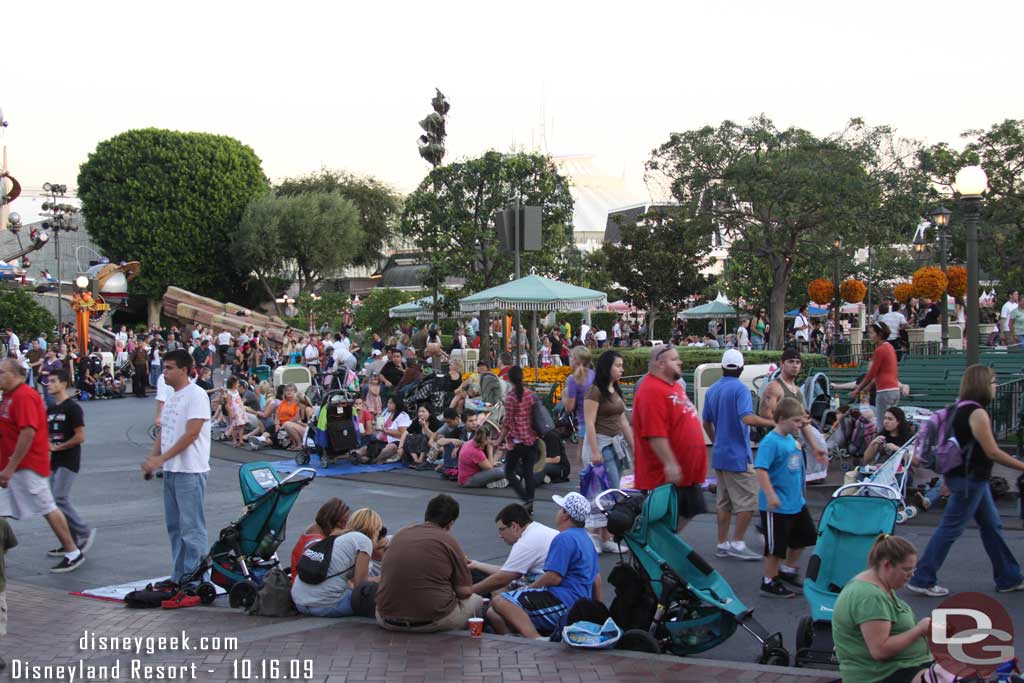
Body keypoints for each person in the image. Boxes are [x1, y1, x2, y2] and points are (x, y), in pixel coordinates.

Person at [907, 365, 1024, 597]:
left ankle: (1008, 577)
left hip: (966, 478)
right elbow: (992, 451)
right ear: (981, 384)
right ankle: (923, 577)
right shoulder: (977, 413)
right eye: (992, 381)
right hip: (971, 480)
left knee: (991, 527)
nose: (995, 386)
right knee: (950, 529)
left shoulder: (957, 408)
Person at [0, 359, 84, 572]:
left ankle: (72, 551)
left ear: (15, 374)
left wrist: (11, 466)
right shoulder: (9, 396)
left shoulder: (24, 396)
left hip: (26, 465)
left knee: (48, 506)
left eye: (1, 372)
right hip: (12, 465)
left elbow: (27, 432)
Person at [140, 349, 211, 585]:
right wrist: (153, 459)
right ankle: (179, 575)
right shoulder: (172, 397)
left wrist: (160, 459)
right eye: (164, 367)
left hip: (190, 470)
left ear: (184, 370)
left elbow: (192, 433)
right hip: (172, 469)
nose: (164, 372)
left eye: (169, 368)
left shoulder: (196, 395)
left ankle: (196, 579)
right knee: (175, 527)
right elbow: (165, 431)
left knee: (192, 528)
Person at [487, 492, 601, 639]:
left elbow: (553, 578)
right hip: (580, 601)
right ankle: (516, 642)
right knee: (494, 613)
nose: (558, 512)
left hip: (564, 600)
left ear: (565, 514)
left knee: (500, 601)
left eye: (560, 509)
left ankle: (537, 641)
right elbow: (596, 579)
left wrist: (528, 588)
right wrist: (597, 611)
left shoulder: (564, 538)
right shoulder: (586, 539)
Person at [702, 350, 775, 561]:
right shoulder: (741, 390)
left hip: (720, 454)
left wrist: (716, 440)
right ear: (741, 368)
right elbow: (747, 418)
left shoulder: (712, 390)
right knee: (748, 501)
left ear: (723, 367)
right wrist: (772, 422)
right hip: (738, 454)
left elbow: (706, 422)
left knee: (724, 503)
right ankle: (738, 543)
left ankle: (722, 543)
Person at [833, 534, 934, 683]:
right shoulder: (871, 597)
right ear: (887, 564)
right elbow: (880, 650)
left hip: (903, 666)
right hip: (882, 675)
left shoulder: (878, 583)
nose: (911, 574)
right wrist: (919, 630)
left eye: (914, 569)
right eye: (906, 569)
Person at [376, 494, 484, 632]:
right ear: (451, 523)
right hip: (430, 621)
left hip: (386, 619)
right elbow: (464, 592)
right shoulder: (448, 540)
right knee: (476, 601)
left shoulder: (399, 534)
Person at [632, 344, 708, 530]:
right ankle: (650, 548)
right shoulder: (651, 390)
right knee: (663, 520)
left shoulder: (673, 386)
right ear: (660, 364)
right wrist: (670, 463)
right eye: (674, 359)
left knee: (688, 511)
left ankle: (657, 547)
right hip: (663, 476)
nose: (679, 362)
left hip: (685, 474)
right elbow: (654, 432)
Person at [755, 397, 821, 598]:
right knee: (775, 548)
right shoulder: (770, 442)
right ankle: (769, 581)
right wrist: (770, 494)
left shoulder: (790, 439)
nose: (800, 425)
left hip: (795, 502)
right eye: (796, 421)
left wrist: (816, 449)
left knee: (806, 535)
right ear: (782, 419)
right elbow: (761, 469)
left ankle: (788, 570)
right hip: (776, 506)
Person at [292, 508, 382, 617]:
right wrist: (382, 579)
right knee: (381, 599)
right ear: (375, 529)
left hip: (299, 601)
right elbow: (361, 586)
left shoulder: (336, 537)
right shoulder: (364, 541)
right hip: (325, 605)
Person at [46, 369, 96, 557]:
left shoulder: (73, 408)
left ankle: (84, 531)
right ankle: (70, 540)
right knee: (53, 502)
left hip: (69, 460)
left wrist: (59, 447)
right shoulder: (50, 409)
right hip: (54, 461)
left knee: (59, 498)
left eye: (52, 381)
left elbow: (80, 437)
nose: (48, 384)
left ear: (63, 384)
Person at [469, 504, 559, 596]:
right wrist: (476, 564)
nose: (500, 535)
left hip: (552, 588)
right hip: (555, 581)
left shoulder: (526, 542)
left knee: (498, 594)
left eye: (501, 529)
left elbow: (502, 579)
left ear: (514, 526)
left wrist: (468, 592)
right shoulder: (536, 530)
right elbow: (507, 570)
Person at [759, 347, 827, 462]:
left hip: (796, 446)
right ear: (782, 364)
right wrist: (787, 423)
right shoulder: (774, 387)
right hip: (779, 446)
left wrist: (815, 448)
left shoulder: (797, 390)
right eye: (790, 362)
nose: (795, 366)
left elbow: (804, 424)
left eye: (798, 362)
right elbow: (765, 414)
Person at [494, 365, 538, 510]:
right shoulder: (529, 394)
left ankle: (525, 498)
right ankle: (530, 502)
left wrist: (499, 440)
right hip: (531, 438)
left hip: (518, 440)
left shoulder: (511, 397)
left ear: (510, 379)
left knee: (509, 471)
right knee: (528, 472)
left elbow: (507, 423)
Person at [849, 322, 900, 434]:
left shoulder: (880, 350)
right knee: (892, 425)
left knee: (882, 425)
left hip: (884, 392)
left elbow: (871, 373)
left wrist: (857, 389)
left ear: (879, 334)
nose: (870, 336)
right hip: (894, 390)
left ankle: (880, 449)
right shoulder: (890, 348)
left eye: (872, 333)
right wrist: (867, 388)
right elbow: (880, 373)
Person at [289, 498, 351, 585]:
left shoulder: (313, 529)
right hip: (304, 585)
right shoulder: (316, 542)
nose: (345, 527)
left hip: (299, 581)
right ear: (334, 521)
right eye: (343, 522)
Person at [561, 346, 594, 444]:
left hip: (584, 419)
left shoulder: (573, 379)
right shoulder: (592, 373)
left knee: (583, 453)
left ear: (575, 360)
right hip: (596, 418)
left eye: (571, 356)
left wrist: (563, 394)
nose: (569, 358)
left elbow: (569, 407)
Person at [458, 424, 506, 488]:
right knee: (500, 471)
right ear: (488, 438)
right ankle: (497, 482)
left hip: (468, 476)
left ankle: (496, 481)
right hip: (468, 480)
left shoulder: (469, 442)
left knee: (502, 466)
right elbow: (490, 468)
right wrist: (490, 450)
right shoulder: (476, 451)